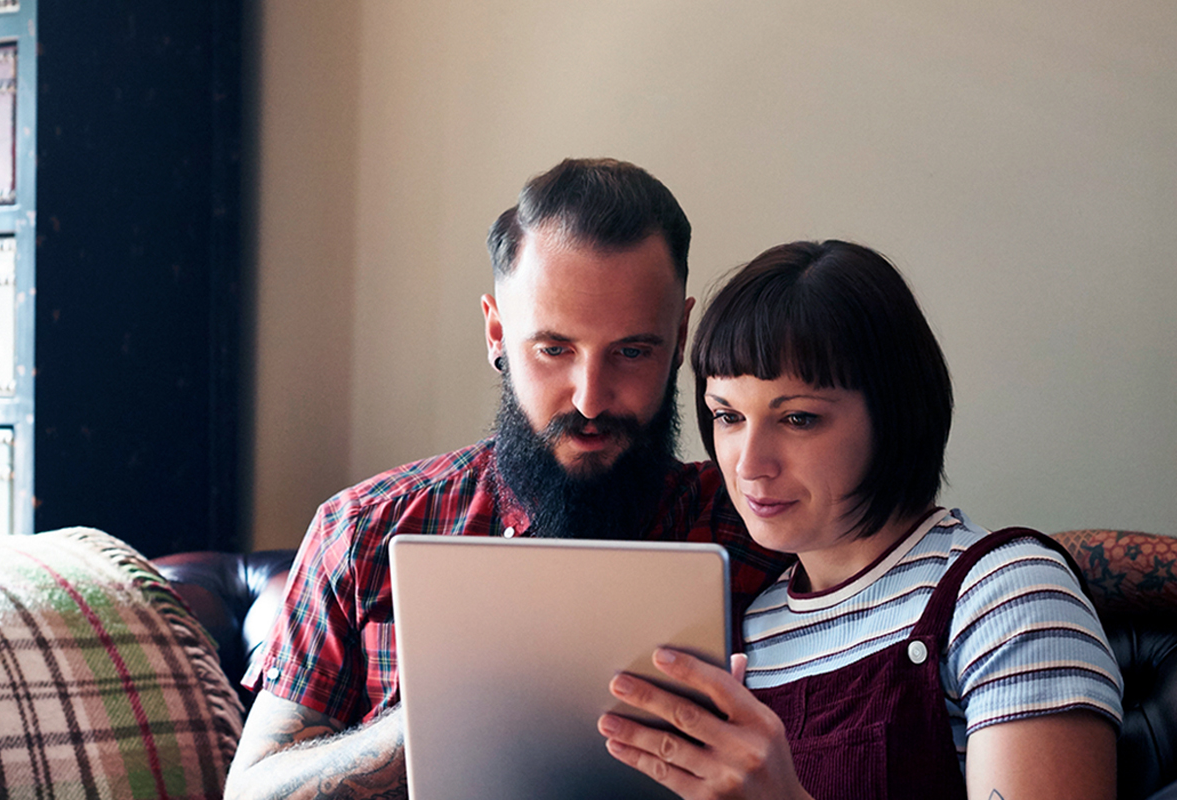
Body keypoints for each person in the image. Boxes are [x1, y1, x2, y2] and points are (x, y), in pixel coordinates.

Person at [222, 159, 796, 800]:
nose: (589, 398)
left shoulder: (765, 524)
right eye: (554, 349)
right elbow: (251, 793)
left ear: (681, 335)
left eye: (632, 351)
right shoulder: (363, 530)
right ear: (496, 332)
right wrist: (447, 719)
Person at [598, 240, 1122, 800]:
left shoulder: (1008, 595)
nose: (750, 464)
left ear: (895, 414)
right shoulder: (742, 632)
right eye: (728, 416)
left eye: (798, 418)